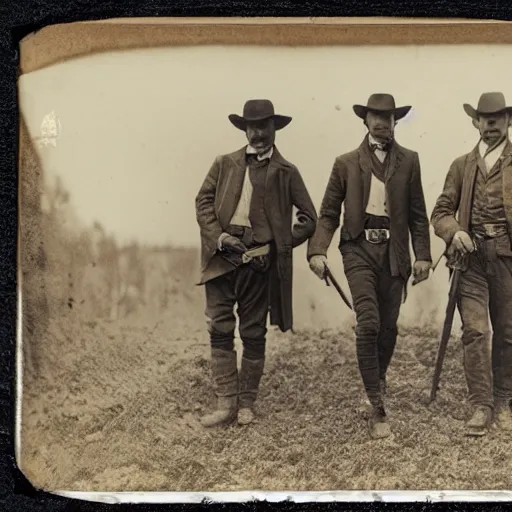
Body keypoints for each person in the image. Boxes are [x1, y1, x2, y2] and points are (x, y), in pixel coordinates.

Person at [307, 93, 432, 439]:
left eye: (387, 117)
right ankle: (377, 407)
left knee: (388, 327)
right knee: (369, 322)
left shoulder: (409, 161)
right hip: (358, 250)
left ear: (395, 121)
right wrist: (317, 251)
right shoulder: (345, 163)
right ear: (365, 121)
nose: (381, 122)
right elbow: (329, 214)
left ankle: (376, 378)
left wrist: (422, 255)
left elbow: (419, 215)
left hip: (395, 253)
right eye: (375, 116)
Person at [195, 99, 317, 427]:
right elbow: (203, 201)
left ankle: (246, 403)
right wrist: (218, 237)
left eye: (264, 125)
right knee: (219, 324)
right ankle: (225, 404)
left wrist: (279, 243)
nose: (258, 132)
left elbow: (309, 217)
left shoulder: (287, 172)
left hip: (258, 264)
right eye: (252, 126)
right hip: (221, 256)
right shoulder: (224, 163)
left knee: (252, 330)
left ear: (275, 128)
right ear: (244, 129)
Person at [431, 92, 512, 436]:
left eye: (498, 119)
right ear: (475, 122)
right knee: (476, 330)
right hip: (470, 260)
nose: (491, 125)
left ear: (508, 122)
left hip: (508, 258)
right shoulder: (461, 165)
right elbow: (440, 212)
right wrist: (454, 233)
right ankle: (481, 404)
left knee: (508, 332)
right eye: (485, 119)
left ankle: (504, 398)